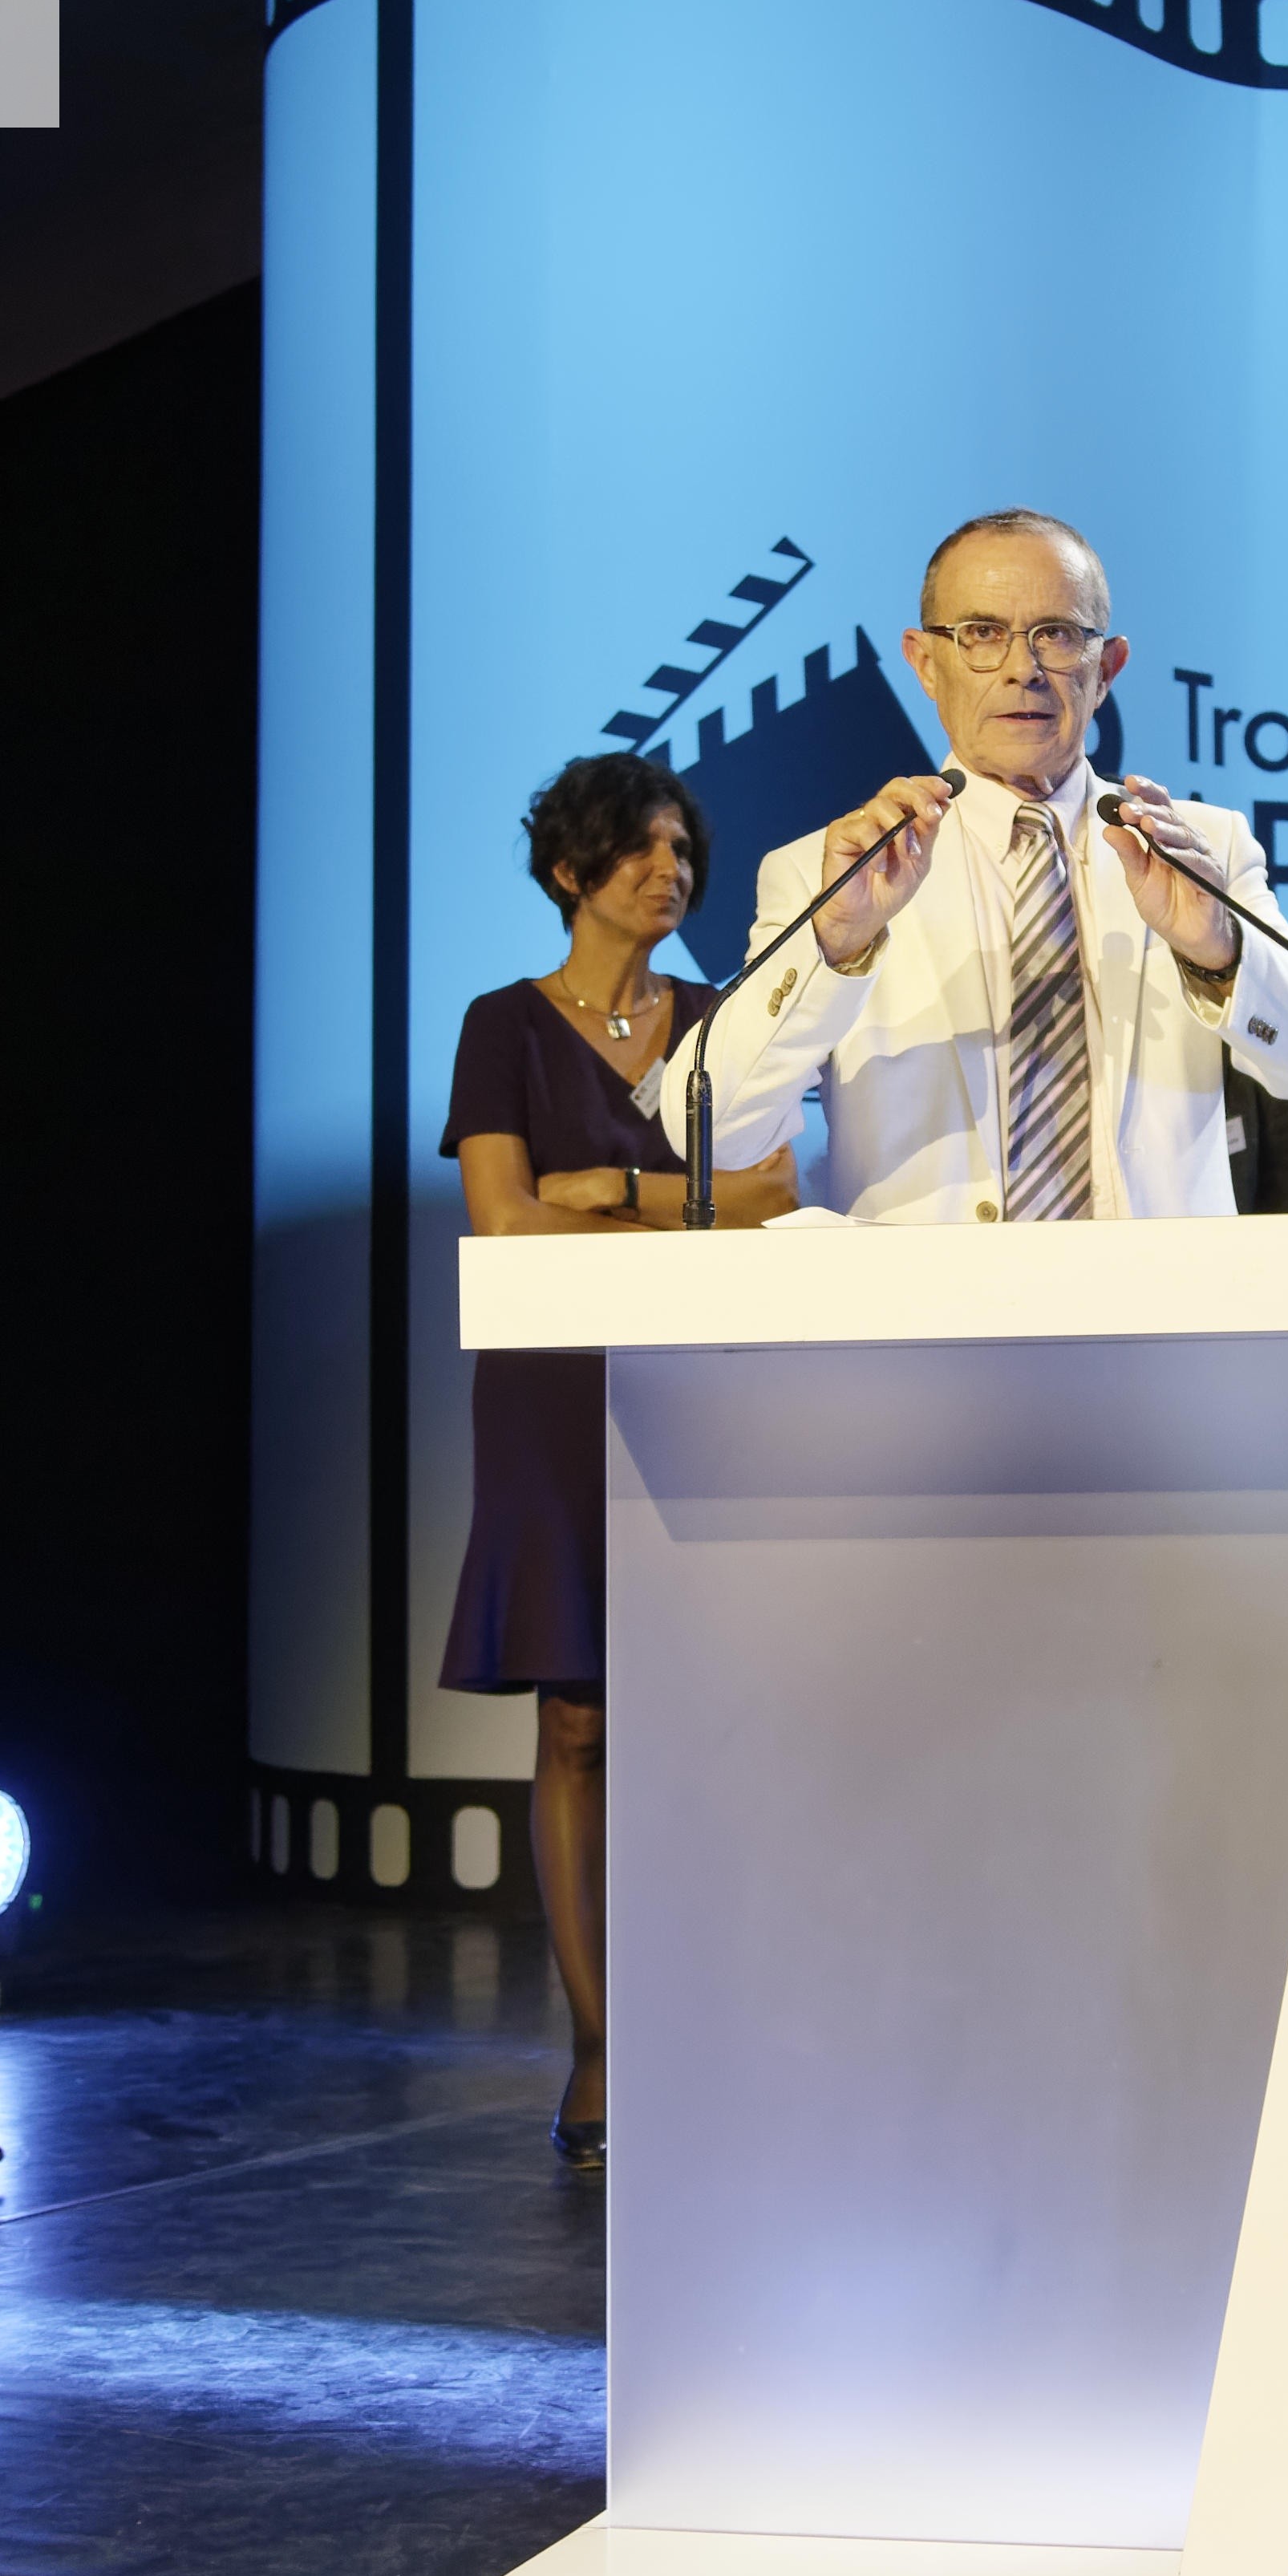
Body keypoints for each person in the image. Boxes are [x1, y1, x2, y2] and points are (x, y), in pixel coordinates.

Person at [444, 753, 791, 2172]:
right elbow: (506, 1225)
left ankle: (716, 2021)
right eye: (640, 852)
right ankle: (600, 2044)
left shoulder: (721, 1022)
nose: (672, 872)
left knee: (705, 1718)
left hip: (697, 1390)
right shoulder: (502, 1027)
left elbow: (770, 1197)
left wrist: (610, 1187)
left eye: (681, 851)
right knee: (579, 1716)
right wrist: (663, 1208)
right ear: (571, 875)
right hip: (547, 1397)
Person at [650, 510, 1288, 1218]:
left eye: (1058, 635)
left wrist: (1217, 951)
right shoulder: (831, 873)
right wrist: (833, 945)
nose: (1023, 670)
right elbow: (710, 1131)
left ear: (1107, 668)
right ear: (924, 663)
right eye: (982, 635)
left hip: (1155, 1315)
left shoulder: (1197, 846)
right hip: (930, 1318)